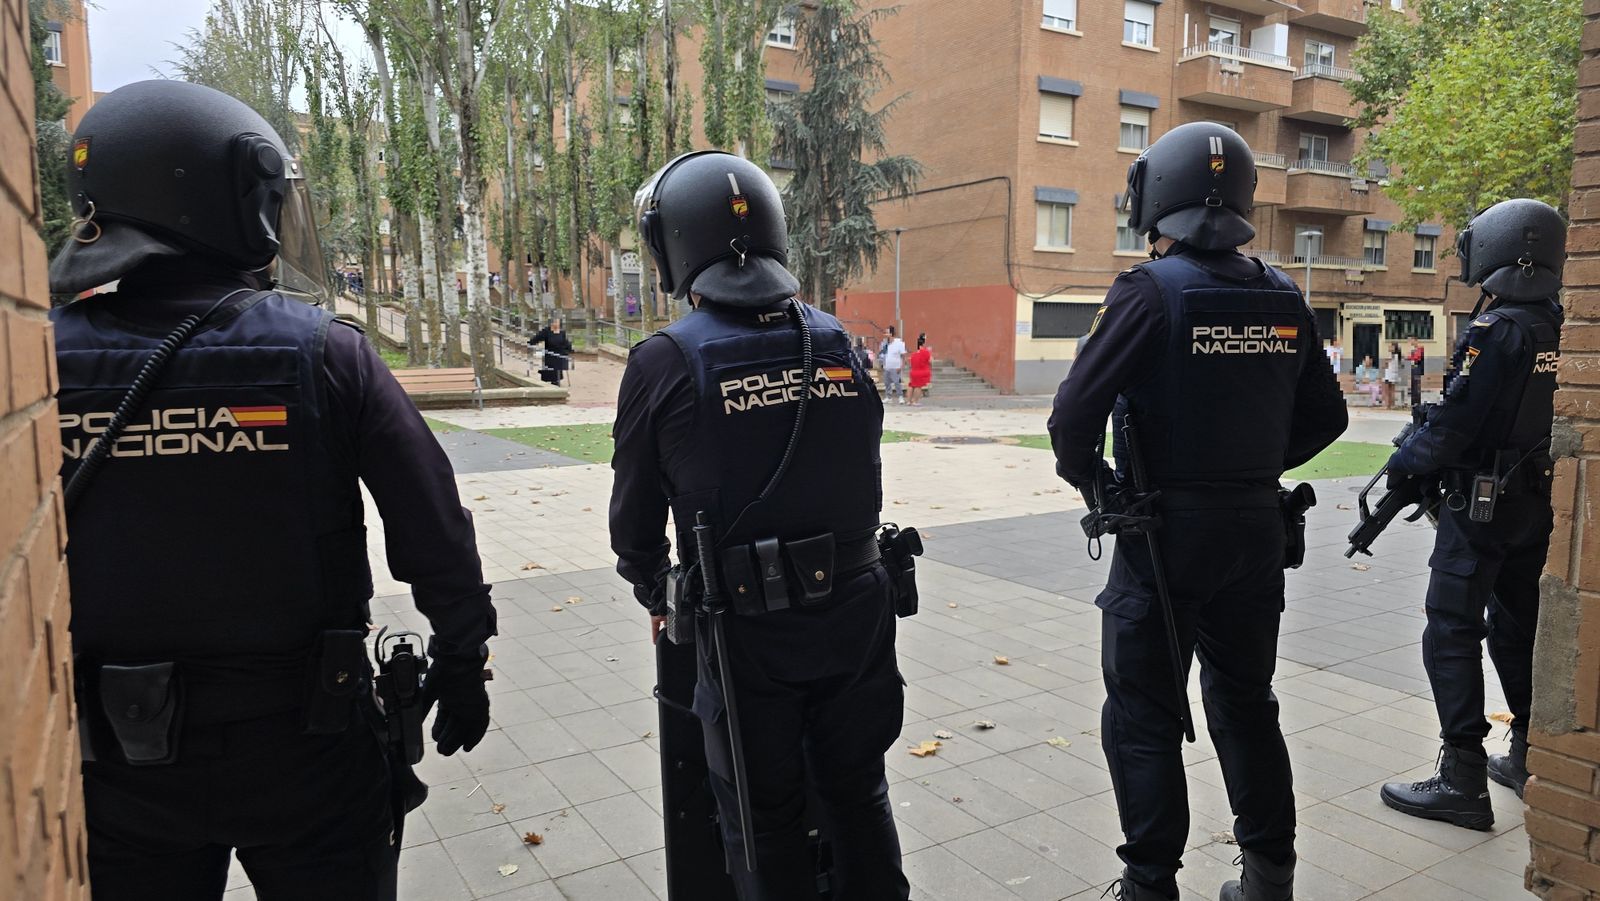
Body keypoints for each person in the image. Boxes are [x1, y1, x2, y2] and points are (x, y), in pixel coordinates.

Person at [46, 80, 497, 901]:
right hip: (310, 753)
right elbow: (433, 525)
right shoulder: (325, 351)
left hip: (117, 766)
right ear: (231, 200)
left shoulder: (37, 369)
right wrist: (463, 655)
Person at [1047, 122, 1347, 901]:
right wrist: (1248, 470)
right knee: (1247, 704)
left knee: (1143, 715)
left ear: (1157, 199)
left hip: (1164, 536)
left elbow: (1072, 418)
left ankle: (1150, 885)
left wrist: (1098, 485)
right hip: (1256, 531)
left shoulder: (1149, 291)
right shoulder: (1283, 294)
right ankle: (1270, 878)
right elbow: (1329, 417)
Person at [611, 150, 911, 901]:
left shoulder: (664, 362)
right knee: (859, 794)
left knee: (763, 820)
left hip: (746, 633)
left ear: (675, 246)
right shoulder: (838, 342)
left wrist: (654, 588)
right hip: (857, 613)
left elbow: (634, 522)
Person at [1376, 199, 1565, 828]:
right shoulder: (1560, 323)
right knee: (1517, 626)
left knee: (1450, 629)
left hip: (1480, 506)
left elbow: (1455, 423)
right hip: (1535, 504)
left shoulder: (1496, 329)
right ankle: (1530, 753)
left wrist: (1404, 463)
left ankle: (1461, 777)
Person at [531, 316, 573, 385]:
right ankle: (552, 379)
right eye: (554, 322)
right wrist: (531, 343)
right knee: (552, 360)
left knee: (559, 358)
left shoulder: (562, 333)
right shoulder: (546, 331)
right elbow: (537, 338)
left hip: (560, 353)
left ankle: (556, 380)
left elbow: (566, 343)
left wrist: (570, 349)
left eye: (557, 322)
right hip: (550, 353)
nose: (556, 324)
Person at [881, 327, 907, 404]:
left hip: (896, 367)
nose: (885, 334)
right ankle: (888, 397)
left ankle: (900, 397)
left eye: (887, 333)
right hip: (887, 366)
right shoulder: (885, 343)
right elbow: (882, 353)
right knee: (887, 383)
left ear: (891, 334)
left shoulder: (899, 343)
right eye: (885, 333)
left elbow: (903, 356)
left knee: (896, 382)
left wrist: (901, 366)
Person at [907, 334, 932, 406]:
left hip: (913, 371)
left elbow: (910, 362)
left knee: (911, 385)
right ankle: (915, 401)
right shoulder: (926, 352)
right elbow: (930, 361)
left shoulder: (914, 354)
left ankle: (909, 401)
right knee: (918, 386)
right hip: (922, 372)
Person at [1383, 342, 1402, 409]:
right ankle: (1392, 404)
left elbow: (1385, 364)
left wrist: (1385, 363)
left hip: (1389, 374)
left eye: (1391, 346)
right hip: (1394, 374)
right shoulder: (1398, 356)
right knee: (1392, 390)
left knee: (1387, 390)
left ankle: (1387, 405)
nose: (1389, 347)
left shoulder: (1391, 355)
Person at [1409, 336, 1427, 404]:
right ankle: (1413, 401)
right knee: (1413, 385)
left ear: (1416, 340)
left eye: (1412, 340)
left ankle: (1417, 402)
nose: (1411, 342)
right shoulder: (1413, 350)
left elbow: (1417, 358)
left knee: (1416, 385)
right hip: (1414, 368)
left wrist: (1410, 357)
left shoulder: (1420, 349)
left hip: (1418, 369)